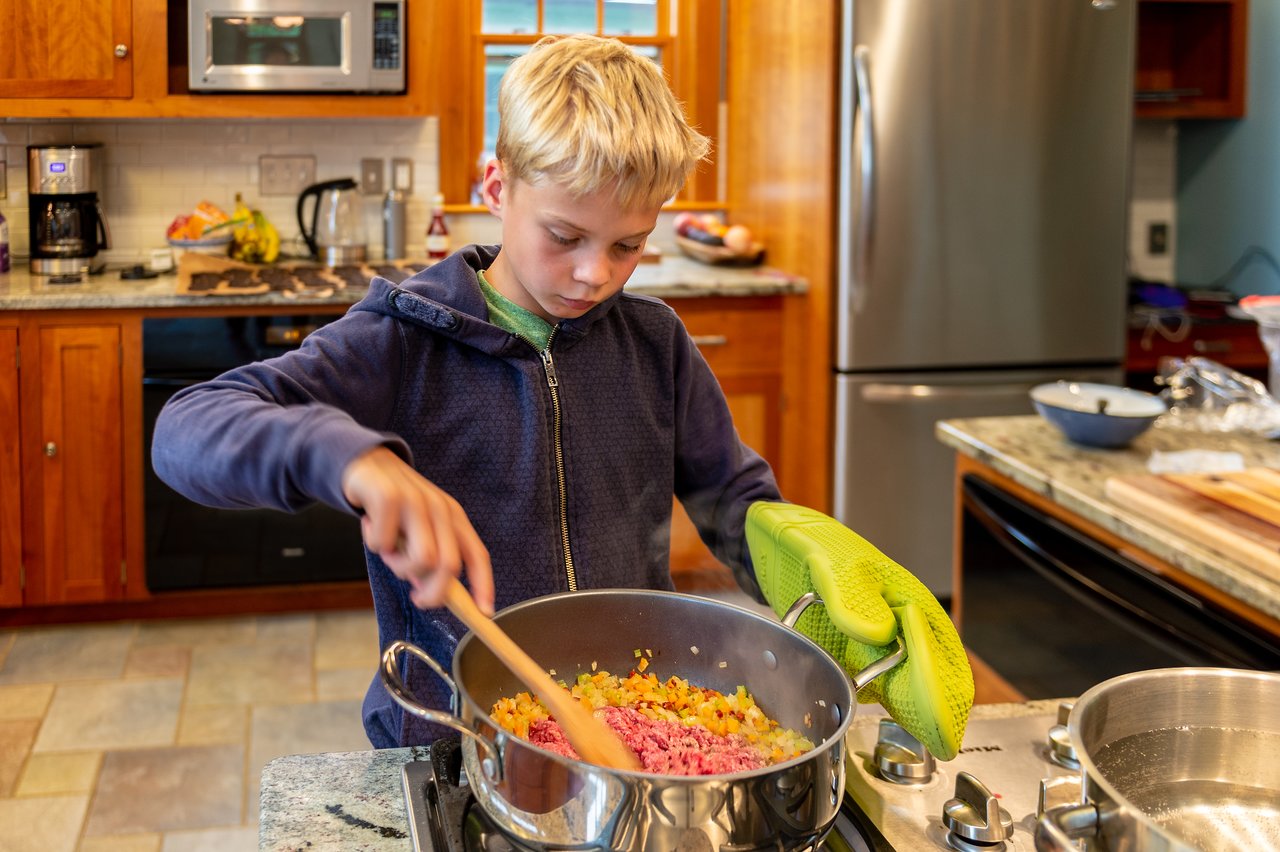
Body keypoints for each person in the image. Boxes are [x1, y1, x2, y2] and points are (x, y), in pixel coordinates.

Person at [153, 33, 973, 759]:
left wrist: (804, 567)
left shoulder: (655, 343)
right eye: (565, 236)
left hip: (634, 714)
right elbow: (187, 429)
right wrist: (353, 458)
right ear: (496, 185)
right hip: (453, 735)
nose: (596, 275)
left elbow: (731, 497)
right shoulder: (402, 338)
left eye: (628, 245)